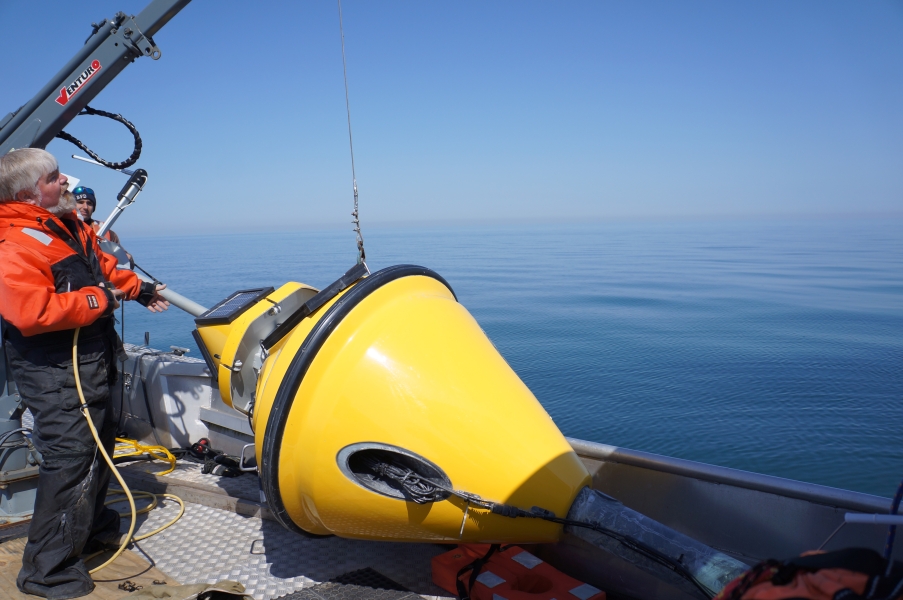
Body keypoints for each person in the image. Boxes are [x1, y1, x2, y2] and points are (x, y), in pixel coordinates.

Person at [0, 148, 169, 599]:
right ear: (27, 193)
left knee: (100, 445)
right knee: (72, 458)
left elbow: (102, 269)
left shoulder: (66, 225)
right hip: (55, 368)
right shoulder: (12, 242)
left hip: (93, 357)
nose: (67, 183)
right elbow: (30, 312)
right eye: (55, 178)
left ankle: (91, 530)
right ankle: (47, 571)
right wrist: (99, 302)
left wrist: (140, 289)